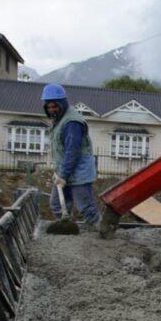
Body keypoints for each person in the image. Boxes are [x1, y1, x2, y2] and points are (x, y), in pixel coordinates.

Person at [41, 83, 100, 229]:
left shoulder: (72, 123)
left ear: (62, 103)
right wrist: (61, 172)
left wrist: (63, 174)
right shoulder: (59, 121)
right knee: (57, 203)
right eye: (48, 107)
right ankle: (66, 228)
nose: (51, 110)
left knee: (85, 205)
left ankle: (100, 231)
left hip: (79, 171)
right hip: (64, 169)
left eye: (54, 106)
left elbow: (72, 151)